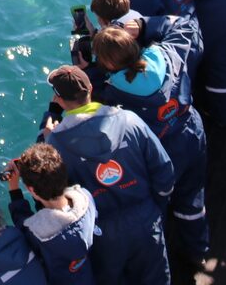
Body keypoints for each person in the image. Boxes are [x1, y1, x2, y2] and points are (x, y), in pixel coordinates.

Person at [89, 0, 210, 267]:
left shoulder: (112, 96)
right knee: (192, 195)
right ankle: (198, 251)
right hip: (191, 132)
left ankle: (163, 259)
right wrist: (144, 26)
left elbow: (89, 104)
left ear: (108, 64)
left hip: (159, 155)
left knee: (158, 206)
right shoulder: (167, 54)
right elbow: (185, 25)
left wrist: (87, 70)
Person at [41, 65, 175, 285]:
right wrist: (154, 208)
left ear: (59, 100)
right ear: (91, 89)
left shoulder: (56, 143)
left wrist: (47, 139)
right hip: (146, 218)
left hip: (102, 234)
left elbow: (55, 196)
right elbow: (164, 170)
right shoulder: (129, 120)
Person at [7, 144, 98, 285]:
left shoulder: (38, 235)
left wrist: (14, 188)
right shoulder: (86, 200)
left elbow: (21, 220)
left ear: (32, 191)